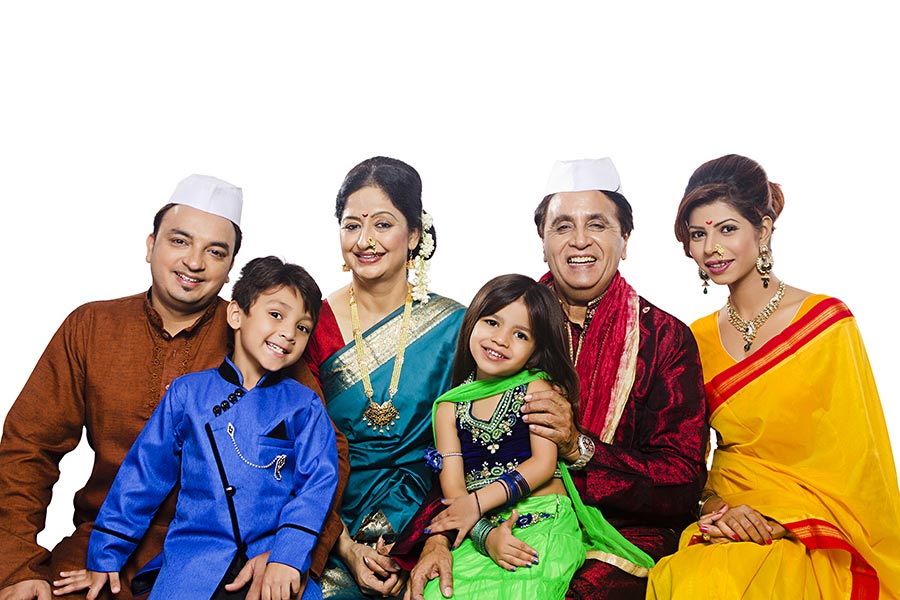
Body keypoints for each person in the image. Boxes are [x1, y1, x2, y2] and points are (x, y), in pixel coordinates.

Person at [0, 175, 348, 600]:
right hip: (102, 550)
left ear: (230, 269)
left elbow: (330, 457)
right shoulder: (91, 327)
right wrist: (17, 564)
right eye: (180, 241)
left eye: (215, 251)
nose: (195, 262)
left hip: (235, 558)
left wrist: (286, 552)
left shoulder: (263, 339)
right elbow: (27, 448)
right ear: (151, 245)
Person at [396, 158, 709, 600]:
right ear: (543, 243)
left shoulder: (666, 339)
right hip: (494, 523)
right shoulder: (501, 324)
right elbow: (455, 450)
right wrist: (437, 538)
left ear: (626, 239)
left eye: (597, 225)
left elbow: (681, 482)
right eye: (562, 227)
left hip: (618, 533)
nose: (579, 240)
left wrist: (579, 449)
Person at [646, 154, 900, 598]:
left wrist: (783, 520)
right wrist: (717, 506)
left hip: (815, 521)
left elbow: (861, 460)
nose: (711, 249)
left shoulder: (825, 323)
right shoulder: (694, 340)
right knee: (693, 579)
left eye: (727, 229)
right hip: (728, 514)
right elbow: (687, 454)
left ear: (762, 230)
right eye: (699, 234)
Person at [78, 256, 338, 600]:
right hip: (193, 564)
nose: (289, 333)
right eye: (276, 315)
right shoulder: (188, 392)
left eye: (302, 327)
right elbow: (143, 476)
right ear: (236, 315)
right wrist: (106, 555)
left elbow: (317, 485)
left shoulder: (305, 405)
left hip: (271, 567)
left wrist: (287, 557)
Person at [422, 274, 653, 600]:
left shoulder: (536, 389)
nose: (500, 339)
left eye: (520, 334)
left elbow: (543, 465)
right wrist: (487, 537)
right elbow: (454, 494)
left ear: (534, 351)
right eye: (491, 322)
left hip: (546, 524)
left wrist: (475, 504)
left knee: (523, 592)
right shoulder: (448, 408)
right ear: (471, 320)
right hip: (486, 530)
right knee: (437, 594)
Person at [303, 157, 465, 598]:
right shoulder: (310, 323)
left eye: (382, 224)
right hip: (328, 516)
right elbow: (296, 446)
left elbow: (470, 446)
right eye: (351, 225)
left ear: (414, 234)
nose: (365, 241)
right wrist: (345, 546)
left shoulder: (456, 326)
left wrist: (435, 537)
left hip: (430, 514)